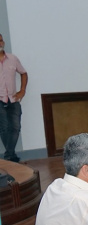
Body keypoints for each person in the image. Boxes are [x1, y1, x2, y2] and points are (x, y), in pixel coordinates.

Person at [0, 33, 27, 162]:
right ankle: (11, 156)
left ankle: (9, 156)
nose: (0, 43)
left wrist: (22, 90)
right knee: (4, 127)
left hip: (13, 99)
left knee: (15, 127)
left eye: (0, 40)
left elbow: (23, 73)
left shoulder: (12, 58)